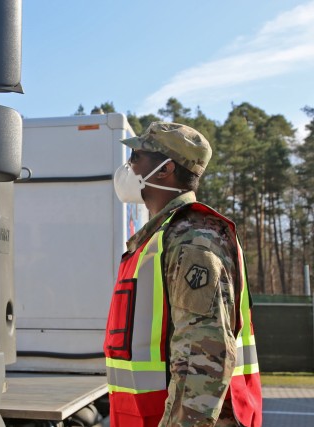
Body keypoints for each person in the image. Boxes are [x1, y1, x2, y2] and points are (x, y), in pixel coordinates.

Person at [104, 122, 262, 426]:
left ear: (165, 169)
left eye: (136, 156)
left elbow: (203, 356)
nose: (128, 166)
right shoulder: (164, 235)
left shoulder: (193, 241)